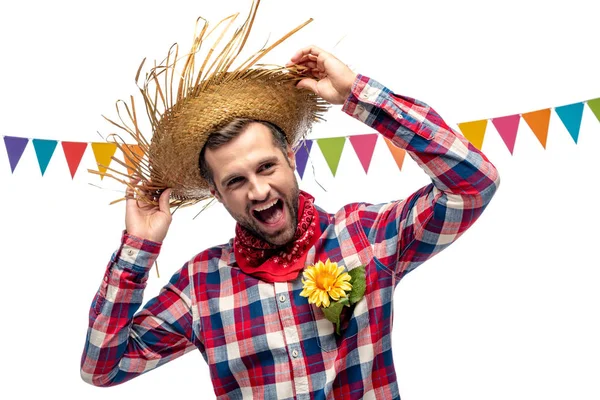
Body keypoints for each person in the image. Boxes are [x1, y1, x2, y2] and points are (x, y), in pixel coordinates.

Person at [80, 14, 500, 400]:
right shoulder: (200, 285)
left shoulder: (365, 236)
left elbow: (473, 183)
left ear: (292, 158)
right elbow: (102, 368)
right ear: (217, 194)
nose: (259, 191)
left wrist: (359, 95)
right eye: (236, 181)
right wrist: (138, 247)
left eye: (267, 167)